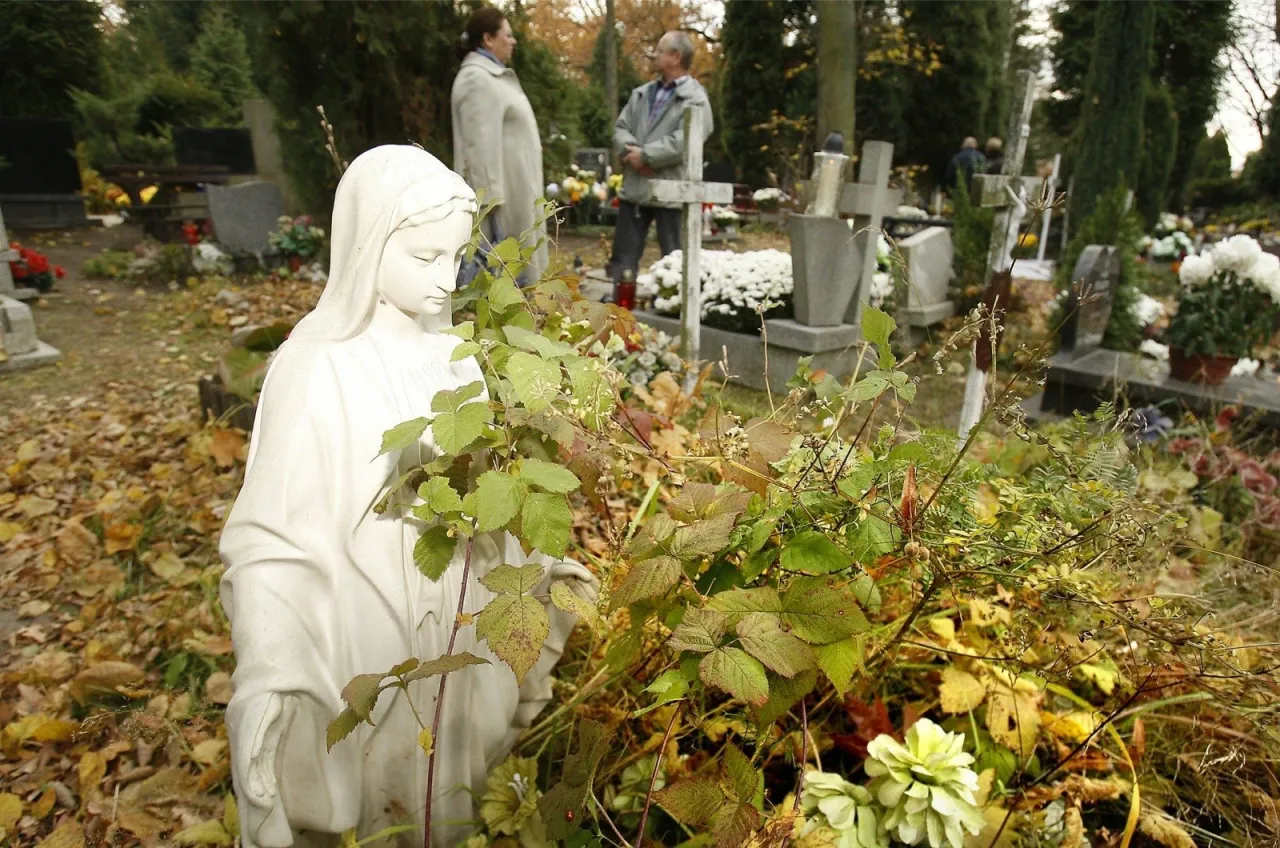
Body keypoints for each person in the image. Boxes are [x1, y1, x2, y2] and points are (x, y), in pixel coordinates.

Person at [220, 146, 597, 847]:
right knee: (375, 790)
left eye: (456, 258)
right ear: (368, 247)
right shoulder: (316, 366)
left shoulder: (452, 357)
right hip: (363, 632)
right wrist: (268, 667)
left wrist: (533, 580)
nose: (446, 280)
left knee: (452, 789)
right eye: (424, 258)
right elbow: (272, 537)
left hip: (456, 618)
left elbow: (486, 496)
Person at [609, 30, 713, 294]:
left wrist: (646, 156)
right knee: (623, 261)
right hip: (635, 189)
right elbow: (620, 128)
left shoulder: (696, 98)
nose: (654, 54)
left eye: (660, 49)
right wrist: (631, 155)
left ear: (676, 57)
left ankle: (673, 319)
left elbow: (689, 138)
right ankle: (618, 320)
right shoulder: (641, 94)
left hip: (671, 192)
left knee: (675, 263)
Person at [451, 6, 548, 282]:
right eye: (508, 34)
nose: (513, 40)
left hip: (517, 198)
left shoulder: (492, 76)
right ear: (488, 39)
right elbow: (477, 152)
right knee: (501, 286)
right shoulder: (476, 79)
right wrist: (490, 216)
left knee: (518, 289)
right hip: (503, 211)